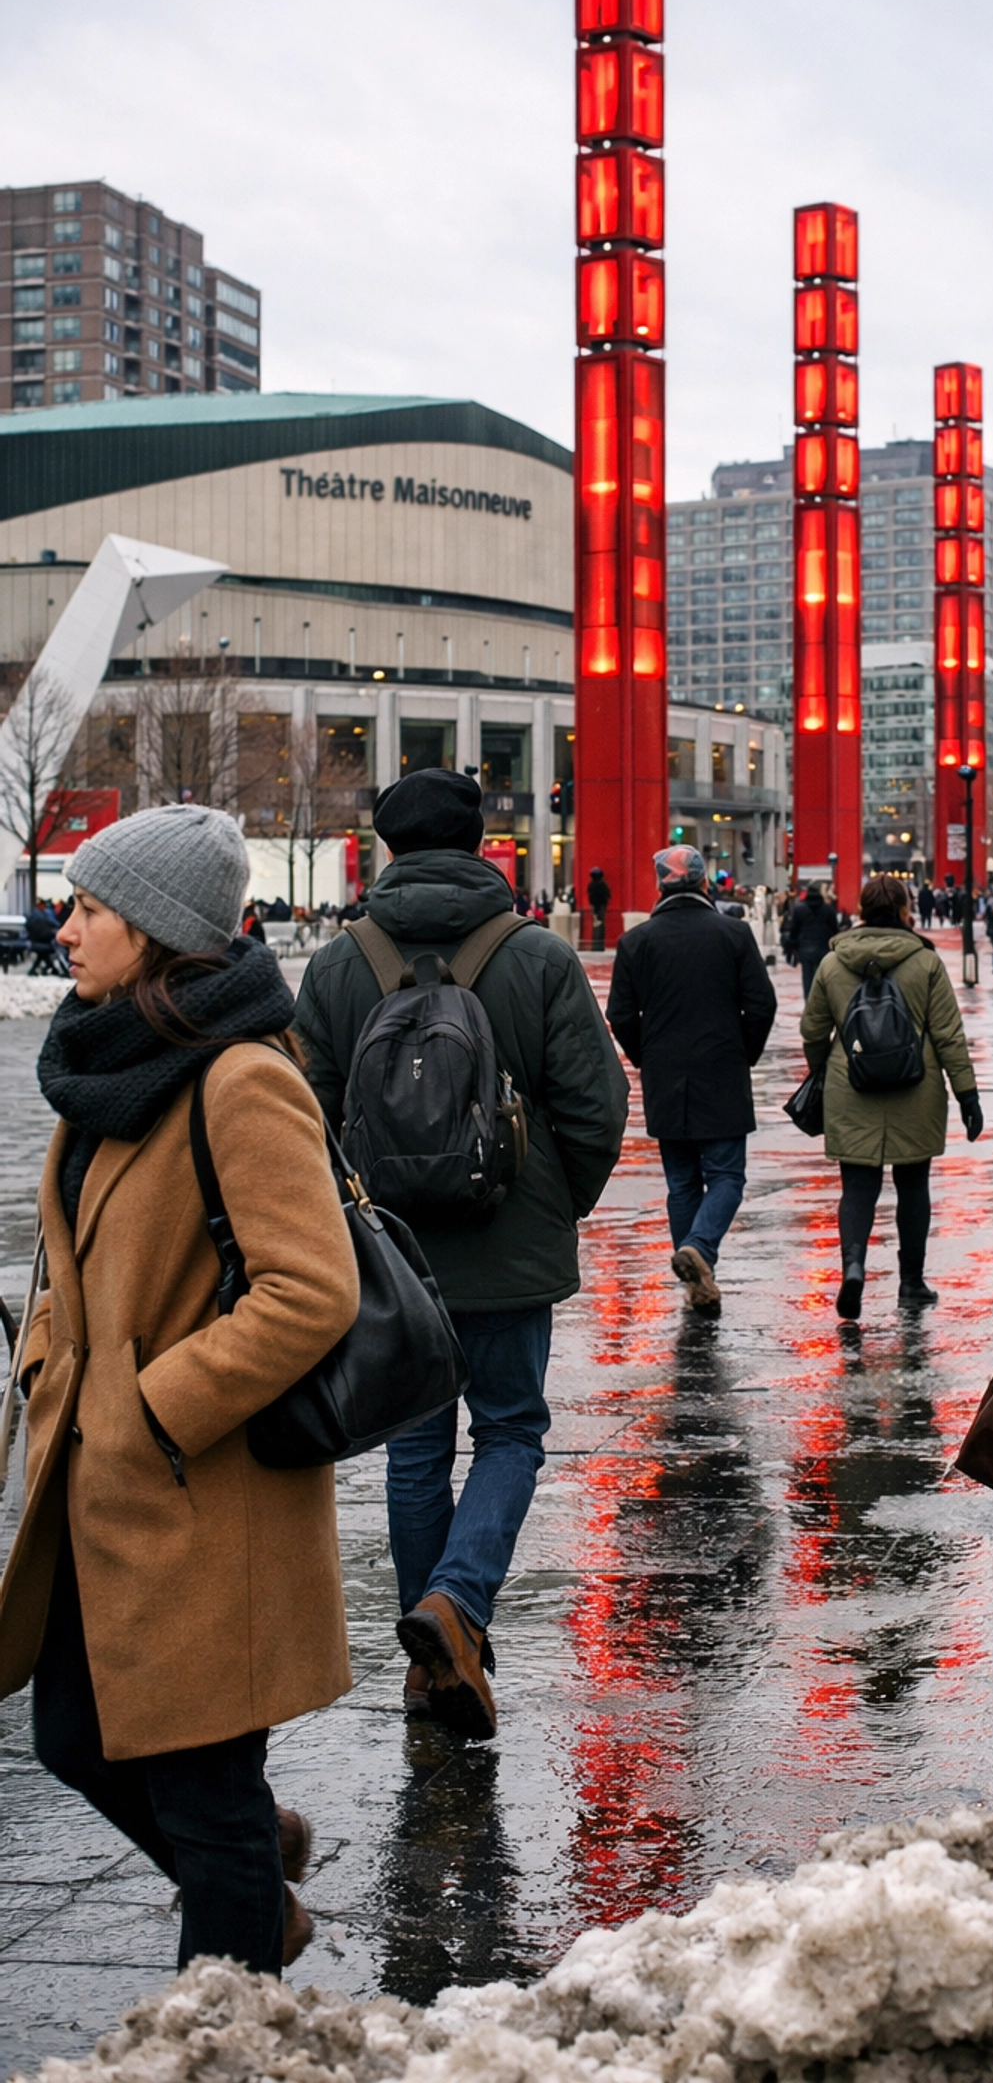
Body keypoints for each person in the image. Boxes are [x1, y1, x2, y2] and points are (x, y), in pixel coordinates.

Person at [0, 804, 361, 1976]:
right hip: (105, 1488)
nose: (67, 926)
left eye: (92, 909)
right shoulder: (101, 1058)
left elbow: (312, 1292)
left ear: (153, 931)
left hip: (206, 1505)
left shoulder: (239, 1078)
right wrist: (52, 1358)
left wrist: (158, 1406)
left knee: (203, 1800)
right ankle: (256, 1876)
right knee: (71, 1736)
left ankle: (227, 2026)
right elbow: (74, 1255)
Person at [294, 769, 627, 1741]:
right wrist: (554, 1206)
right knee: (512, 1431)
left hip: (392, 1249)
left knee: (415, 1449)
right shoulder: (535, 954)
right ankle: (458, 1608)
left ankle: (429, 1661)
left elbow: (303, 1114)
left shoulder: (339, 963)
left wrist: (351, 1212)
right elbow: (596, 1106)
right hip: (507, 1244)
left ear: (388, 847)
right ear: (483, 843)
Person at [801, 872, 982, 1321]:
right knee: (912, 1185)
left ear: (860, 910)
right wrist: (967, 1095)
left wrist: (824, 1068)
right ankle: (911, 1283)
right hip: (915, 1087)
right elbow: (948, 1036)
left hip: (851, 1087)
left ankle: (855, 1266)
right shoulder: (925, 963)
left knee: (857, 1188)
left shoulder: (832, 963)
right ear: (906, 910)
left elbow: (811, 1030)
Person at [607, 845, 777, 1311]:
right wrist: (743, 1052)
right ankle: (699, 1250)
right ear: (705, 884)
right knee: (726, 1176)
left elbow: (619, 1013)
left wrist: (647, 1055)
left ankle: (698, 1283)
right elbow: (762, 1004)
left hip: (666, 1077)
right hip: (721, 1070)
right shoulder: (734, 934)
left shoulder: (636, 942)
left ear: (659, 884)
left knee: (682, 1183)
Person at [786, 881, 838, 999]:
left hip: (805, 949)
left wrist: (792, 945)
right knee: (823, 979)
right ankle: (821, 1003)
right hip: (823, 950)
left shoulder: (799, 909)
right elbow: (835, 930)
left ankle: (809, 1005)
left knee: (807, 980)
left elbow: (794, 930)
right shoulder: (828, 910)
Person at [586, 865, 612, 952]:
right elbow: (608, 895)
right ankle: (600, 946)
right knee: (601, 926)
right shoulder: (603, 885)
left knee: (595, 926)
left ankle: (595, 945)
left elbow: (590, 896)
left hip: (594, 907)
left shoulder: (591, 885)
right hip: (601, 907)